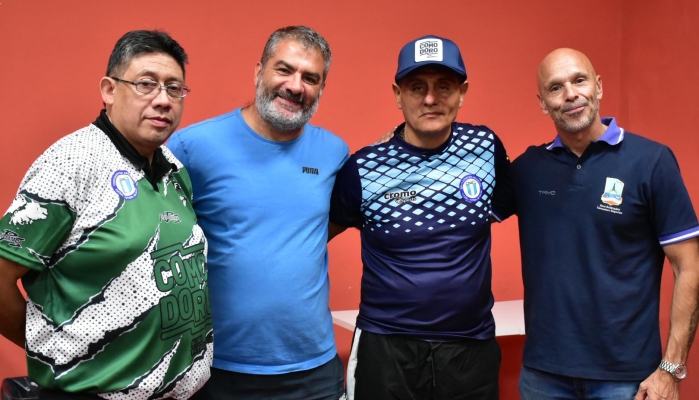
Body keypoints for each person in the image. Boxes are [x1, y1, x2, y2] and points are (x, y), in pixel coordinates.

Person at [0, 30, 212, 399]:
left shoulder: (175, 169)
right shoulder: (70, 164)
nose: (163, 100)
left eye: (174, 88)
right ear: (109, 90)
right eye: (146, 84)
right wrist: (54, 352)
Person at [492, 48, 699, 400]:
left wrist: (671, 368)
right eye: (555, 88)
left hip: (627, 379)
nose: (570, 94)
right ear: (542, 103)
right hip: (543, 376)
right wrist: (408, 145)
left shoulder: (652, 161)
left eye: (579, 80)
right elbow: (462, 213)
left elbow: (689, 267)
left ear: (598, 86)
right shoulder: (527, 169)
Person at [166, 26, 349, 400]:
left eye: (310, 78)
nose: (295, 86)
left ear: (321, 88)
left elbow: (320, 227)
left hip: (313, 372)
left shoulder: (334, 152)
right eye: (284, 69)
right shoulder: (192, 147)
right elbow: (157, 236)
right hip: (217, 368)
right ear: (259, 71)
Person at [328, 35, 509, 400]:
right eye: (416, 87)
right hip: (387, 347)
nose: (430, 99)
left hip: (470, 349)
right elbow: (313, 238)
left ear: (462, 93)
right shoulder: (364, 167)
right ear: (398, 95)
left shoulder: (486, 149)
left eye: (444, 86)